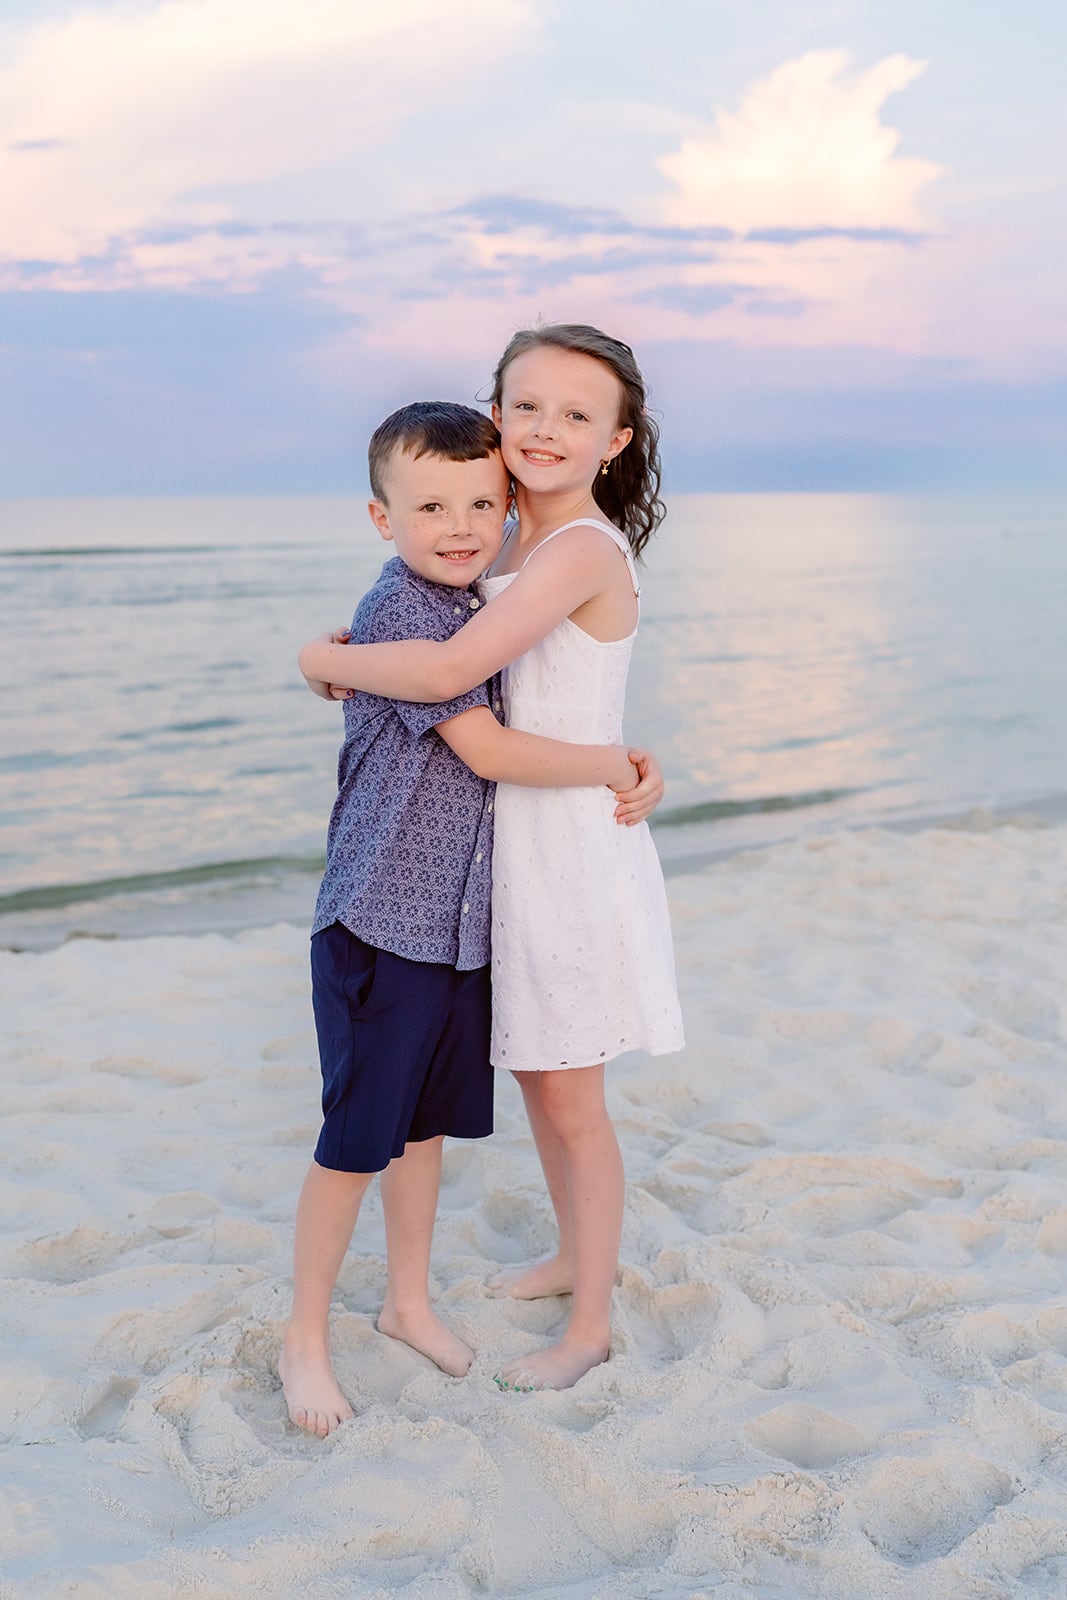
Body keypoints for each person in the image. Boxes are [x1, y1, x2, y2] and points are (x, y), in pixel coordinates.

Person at [299, 327, 686, 1394]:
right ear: (497, 416)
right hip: (503, 844)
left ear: (615, 439)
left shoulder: (576, 550)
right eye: (526, 407)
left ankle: (591, 1323)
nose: (546, 430)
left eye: (576, 413)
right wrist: (361, 652)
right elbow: (447, 638)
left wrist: (321, 659)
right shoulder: (510, 536)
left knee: (570, 1098)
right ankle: (572, 1254)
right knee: (536, 1076)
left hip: (564, 841)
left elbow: (455, 669)